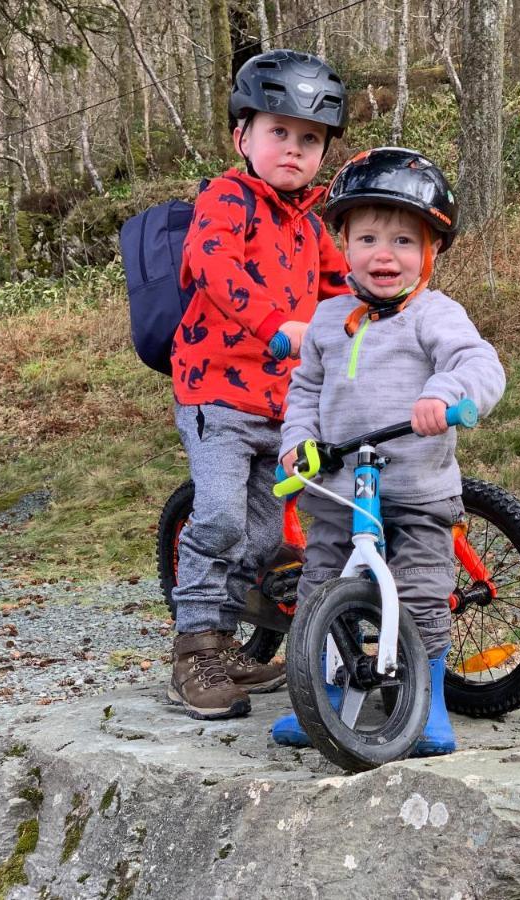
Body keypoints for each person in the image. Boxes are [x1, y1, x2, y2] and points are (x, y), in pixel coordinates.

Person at [271, 147, 506, 755]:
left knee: (423, 588)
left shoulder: (436, 314)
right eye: (368, 237)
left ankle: (424, 705)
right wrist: (297, 443)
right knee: (322, 582)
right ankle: (316, 694)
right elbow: (304, 390)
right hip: (337, 490)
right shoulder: (326, 320)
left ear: (429, 252)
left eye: (404, 241)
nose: (384, 254)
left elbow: (478, 364)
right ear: (343, 245)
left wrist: (444, 393)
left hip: (416, 488)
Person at [167, 49, 351, 720]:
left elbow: (341, 286)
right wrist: (277, 325)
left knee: (267, 534)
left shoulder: (310, 224)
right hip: (215, 393)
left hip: (280, 404)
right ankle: (193, 654)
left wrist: (385, 322)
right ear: (243, 136)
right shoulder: (226, 198)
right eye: (279, 133)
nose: (294, 150)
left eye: (310, 140)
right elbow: (215, 271)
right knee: (217, 516)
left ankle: (229, 642)